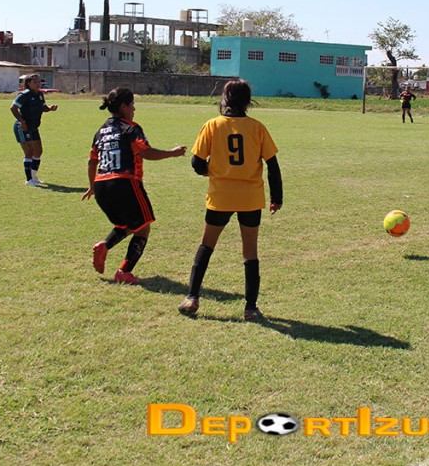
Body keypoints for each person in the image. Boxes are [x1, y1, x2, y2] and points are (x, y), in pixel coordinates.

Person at [179, 79, 283, 321]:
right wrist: (277, 198)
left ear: (224, 99)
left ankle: (192, 297)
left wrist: (210, 171)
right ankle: (251, 308)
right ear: (248, 101)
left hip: (220, 197)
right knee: (250, 252)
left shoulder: (212, 125)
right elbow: (273, 165)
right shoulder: (257, 128)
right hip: (250, 198)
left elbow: (196, 161)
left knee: (206, 246)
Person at [82, 88, 186, 284]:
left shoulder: (100, 132)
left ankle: (105, 246)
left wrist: (91, 186)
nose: (134, 109)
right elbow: (146, 152)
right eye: (132, 105)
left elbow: (92, 160)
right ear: (123, 106)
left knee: (126, 225)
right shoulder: (131, 128)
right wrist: (172, 153)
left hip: (101, 185)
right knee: (143, 227)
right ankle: (124, 271)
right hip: (124, 182)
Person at [11, 73, 58, 186]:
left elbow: (43, 107)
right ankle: (29, 180)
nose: (38, 84)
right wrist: (22, 121)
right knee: (29, 152)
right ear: (28, 83)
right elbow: (13, 108)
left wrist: (50, 108)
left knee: (38, 151)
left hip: (33, 126)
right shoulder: (24, 95)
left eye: (39, 82)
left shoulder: (40, 94)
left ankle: (34, 176)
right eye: (35, 82)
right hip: (23, 127)